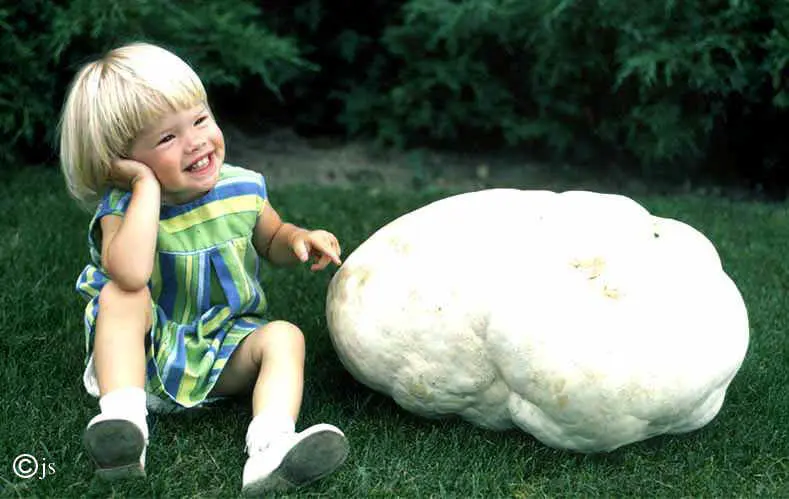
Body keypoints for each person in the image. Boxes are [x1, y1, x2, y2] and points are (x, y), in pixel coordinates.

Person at [58, 42, 349, 495]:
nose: (195, 141)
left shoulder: (243, 188)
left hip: (221, 350)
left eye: (199, 119)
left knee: (284, 336)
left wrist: (297, 239)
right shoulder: (124, 206)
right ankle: (125, 422)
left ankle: (270, 447)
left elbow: (271, 237)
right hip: (144, 359)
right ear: (123, 161)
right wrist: (144, 187)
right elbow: (131, 273)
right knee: (120, 295)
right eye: (166, 138)